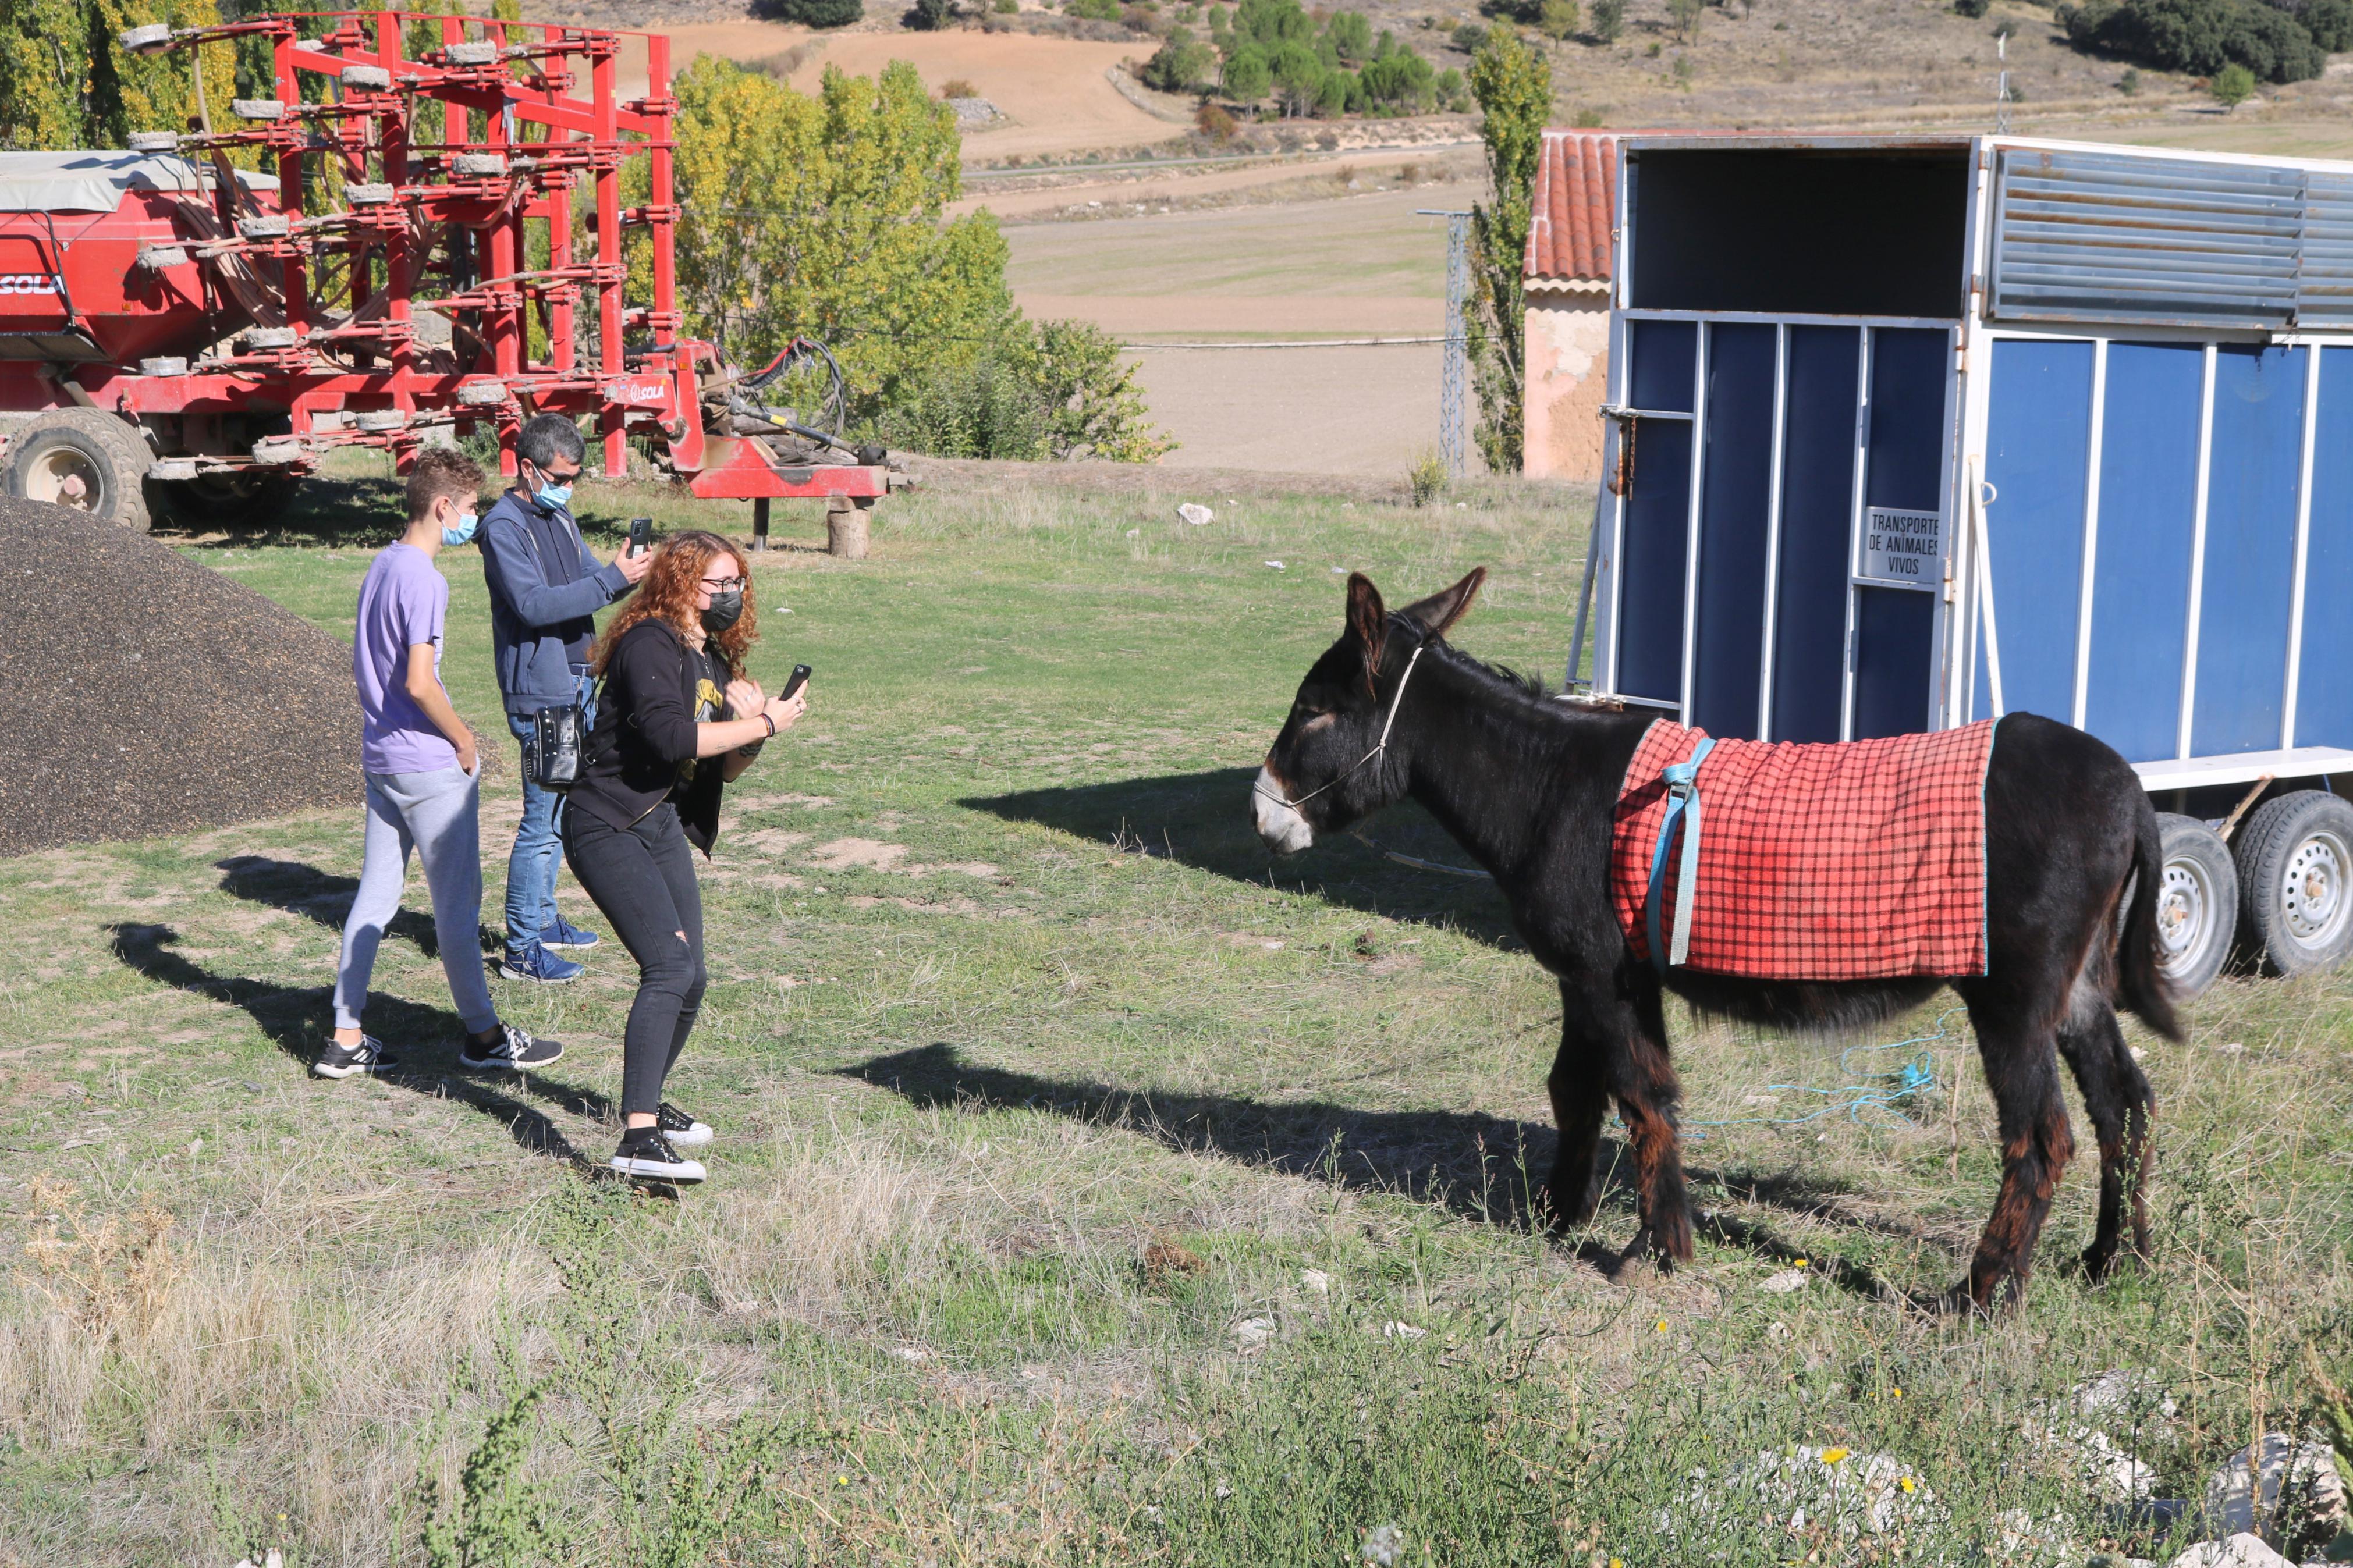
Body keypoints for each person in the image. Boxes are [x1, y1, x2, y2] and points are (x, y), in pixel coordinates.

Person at [563, 529, 807, 1182]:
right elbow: (673, 735)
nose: (730, 595)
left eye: (737, 584)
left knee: (691, 975)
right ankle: (636, 1141)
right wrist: (762, 724)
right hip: (606, 821)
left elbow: (722, 771)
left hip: (660, 822)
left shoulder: (712, 658)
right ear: (679, 583)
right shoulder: (648, 642)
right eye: (716, 584)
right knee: (667, 965)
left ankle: (646, 1101)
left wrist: (756, 732)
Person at [322, 448, 563, 1079]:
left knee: (374, 898)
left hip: (381, 760)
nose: (474, 519)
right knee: (457, 908)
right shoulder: (426, 578)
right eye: (471, 507)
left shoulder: (381, 564)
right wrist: (463, 740)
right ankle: (484, 1036)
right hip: (428, 765)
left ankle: (345, 1035)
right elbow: (421, 682)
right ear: (442, 507)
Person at [480, 411, 651, 985]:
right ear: (525, 468)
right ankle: (522, 950)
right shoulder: (503, 527)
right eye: (558, 477)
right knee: (543, 821)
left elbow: (585, 585)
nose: (567, 487)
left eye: (575, 477)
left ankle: (545, 921)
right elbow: (533, 605)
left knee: (558, 813)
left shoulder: (560, 514)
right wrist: (607, 580)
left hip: (574, 685)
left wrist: (624, 572)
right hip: (542, 696)